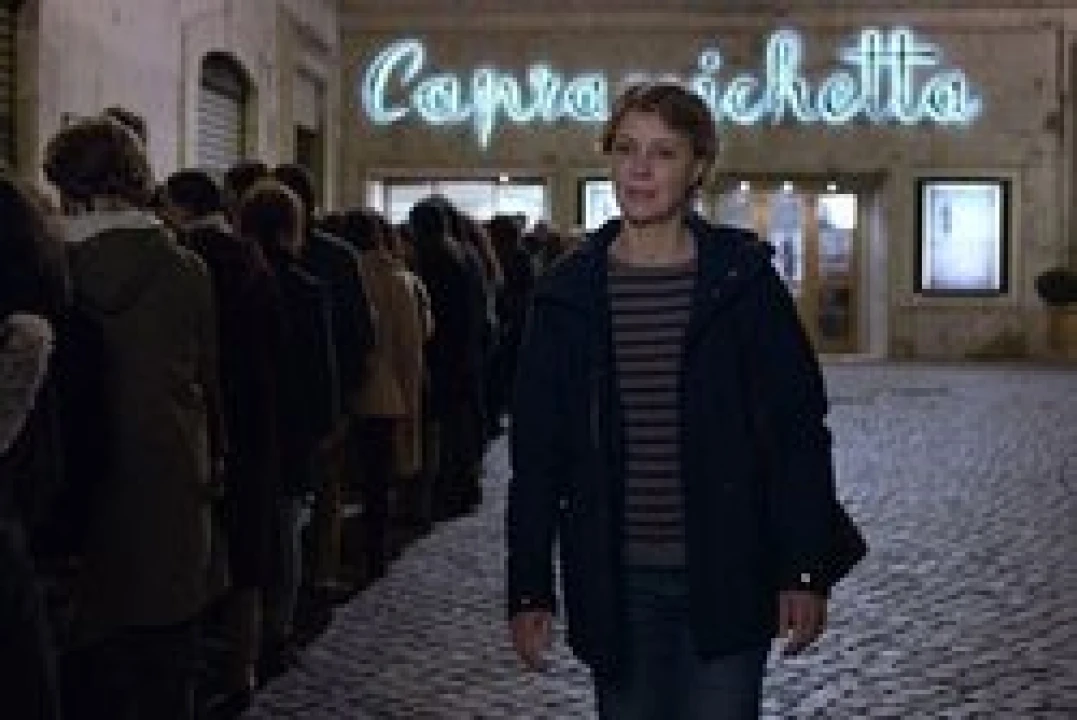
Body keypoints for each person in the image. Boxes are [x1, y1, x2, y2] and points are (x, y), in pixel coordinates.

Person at [506, 82, 840, 719]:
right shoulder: (566, 295)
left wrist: (803, 568)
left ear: (697, 168)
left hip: (728, 570)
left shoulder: (743, 283)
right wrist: (528, 588)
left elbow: (798, 432)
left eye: (663, 152)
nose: (640, 169)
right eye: (626, 149)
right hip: (616, 583)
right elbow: (538, 457)